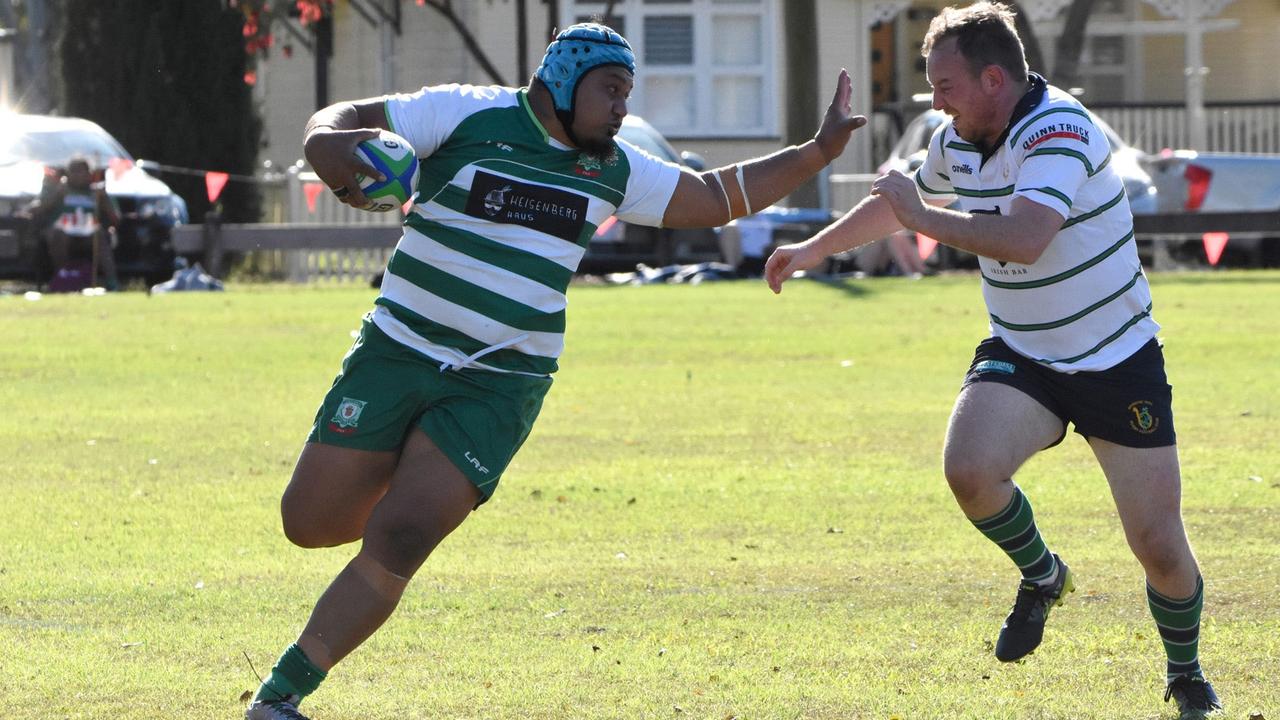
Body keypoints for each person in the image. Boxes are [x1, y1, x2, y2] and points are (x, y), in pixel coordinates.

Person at [244, 22, 865, 720]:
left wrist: (818, 151)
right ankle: (398, 477)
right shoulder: (465, 112)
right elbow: (336, 122)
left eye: (628, 93)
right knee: (309, 522)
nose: (622, 107)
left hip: (501, 380)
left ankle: (281, 696)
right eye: (610, 90)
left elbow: (717, 195)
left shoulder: (614, 169)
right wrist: (341, 153)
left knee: (404, 535)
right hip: (399, 348)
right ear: (563, 82)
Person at [765, 4, 1220, 718]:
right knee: (969, 472)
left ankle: (1186, 673)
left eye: (943, 84)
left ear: (994, 79)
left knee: (1158, 545)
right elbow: (903, 203)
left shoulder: (1061, 130)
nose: (933, 100)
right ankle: (1044, 577)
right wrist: (814, 249)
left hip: (1116, 359)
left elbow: (1026, 237)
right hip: (1024, 353)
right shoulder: (960, 136)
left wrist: (920, 217)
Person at [22, 156, 120, 291]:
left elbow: (116, 219)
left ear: (89, 174)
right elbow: (37, 209)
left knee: (100, 235)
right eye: (74, 171)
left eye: (82, 171)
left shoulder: (96, 192)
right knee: (58, 234)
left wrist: (104, 201)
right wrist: (56, 195)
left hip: (88, 232)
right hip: (61, 231)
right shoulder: (58, 189)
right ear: (68, 174)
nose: (79, 175)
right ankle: (63, 276)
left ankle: (112, 282)